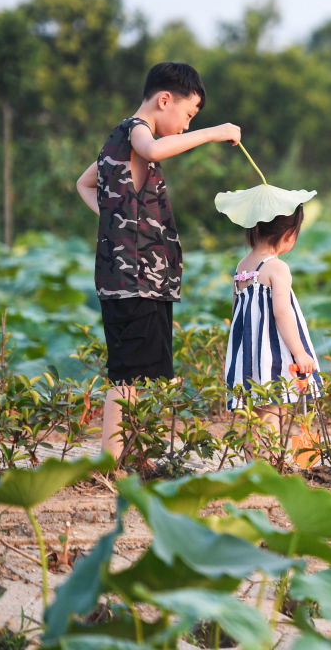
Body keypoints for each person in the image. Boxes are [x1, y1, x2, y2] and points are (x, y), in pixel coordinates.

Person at [75, 61, 241, 464]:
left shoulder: (118, 140)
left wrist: (117, 218)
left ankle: (129, 456)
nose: (185, 126)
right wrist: (213, 133)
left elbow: (84, 183)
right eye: (187, 116)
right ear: (164, 100)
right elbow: (151, 148)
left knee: (138, 375)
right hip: (134, 280)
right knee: (128, 378)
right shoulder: (136, 132)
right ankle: (113, 462)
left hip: (136, 278)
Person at [224, 204, 323, 456]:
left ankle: (254, 466)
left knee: (253, 412)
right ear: (289, 234)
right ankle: (268, 468)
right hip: (271, 352)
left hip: (247, 353)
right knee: (272, 408)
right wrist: (299, 353)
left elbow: (236, 310)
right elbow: (282, 312)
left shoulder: (241, 266)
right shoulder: (277, 267)